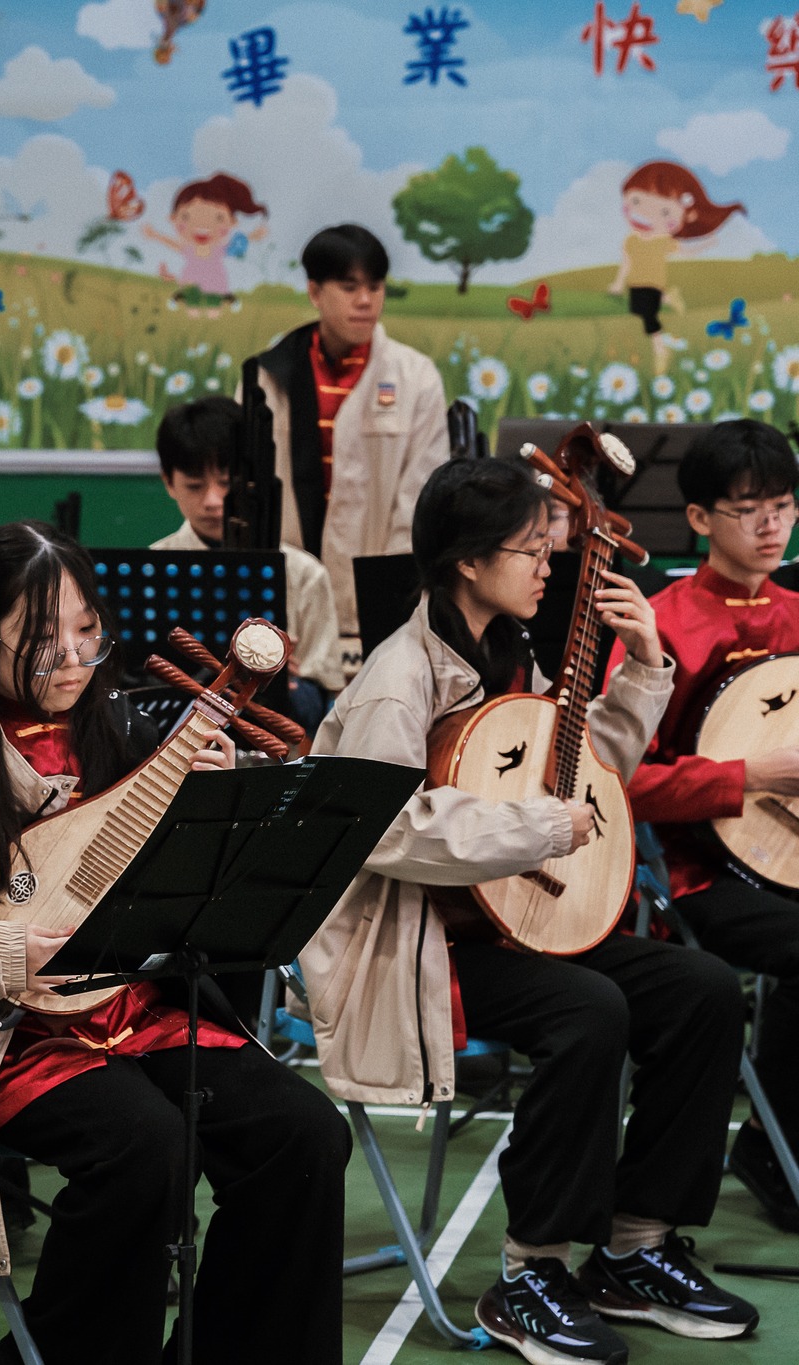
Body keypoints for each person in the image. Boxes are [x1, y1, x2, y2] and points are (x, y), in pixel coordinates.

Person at [0, 521, 347, 1364]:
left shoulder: (125, 739)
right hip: (4, 1036)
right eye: (44, 637)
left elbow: (187, 912)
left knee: (303, 1132)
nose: (75, 657)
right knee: (145, 1148)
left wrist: (208, 821)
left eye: (87, 630)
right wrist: (1, 955)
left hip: (139, 1009)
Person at [303, 457, 757, 1362]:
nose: (550, 564)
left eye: (550, 546)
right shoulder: (399, 679)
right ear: (468, 561)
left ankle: (636, 1245)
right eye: (531, 549)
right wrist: (535, 827)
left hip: (512, 915)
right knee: (589, 1012)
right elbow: (380, 826)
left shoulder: (510, 652)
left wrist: (647, 664)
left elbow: (583, 774)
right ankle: (530, 1272)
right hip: (421, 943)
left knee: (701, 989)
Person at [608, 419, 799, 1231]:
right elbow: (619, 781)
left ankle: (773, 1136)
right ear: (698, 518)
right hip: (696, 872)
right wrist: (746, 777)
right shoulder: (659, 626)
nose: (770, 526)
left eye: (783, 506)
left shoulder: (797, 612)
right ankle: (773, 1146)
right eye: (748, 509)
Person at [245, 223, 449, 657]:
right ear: (315, 292)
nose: (365, 301)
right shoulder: (267, 376)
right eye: (350, 286)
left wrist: (391, 606)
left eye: (375, 287)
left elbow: (419, 505)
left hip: (381, 614)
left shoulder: (417, 377)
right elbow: (250, 501)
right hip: (284, 615)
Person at [152, 396, 345, 722]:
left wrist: (288, 683)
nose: (213, 501)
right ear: (169, 483)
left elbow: (321, 702)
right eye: (195, 486)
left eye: (226, 483)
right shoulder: (153, 567)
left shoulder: (304, 574)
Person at [607, 161, 745, 378]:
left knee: (648, 316)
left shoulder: (663, 241)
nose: (645, 213)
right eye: (636, 201)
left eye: (664, 211)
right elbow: (626, 263)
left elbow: (686, 252)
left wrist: (706, 244)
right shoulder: (631, 240)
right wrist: (618, 283)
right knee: (637, 310)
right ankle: (669, 297)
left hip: (653, 284)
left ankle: (661, 349)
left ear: (687, 216)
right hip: (635, 283)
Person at [141, 172, 269, 318]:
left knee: (214, 312)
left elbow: (236, 244)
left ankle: (226, 300)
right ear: (173, 218)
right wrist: (156, 235)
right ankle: (183, 299)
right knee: (192, 311)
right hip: (191, 283)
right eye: (186, 216)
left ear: (232, 222)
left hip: (215, 283)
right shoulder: (189, 249)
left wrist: (253, 236)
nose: (202, 225)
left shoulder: (218, 249)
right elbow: (172, 244)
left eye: (218, 218)